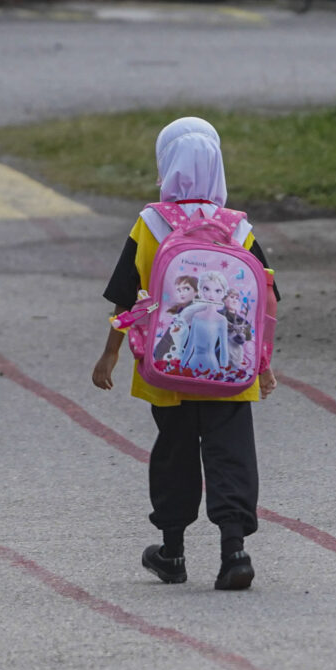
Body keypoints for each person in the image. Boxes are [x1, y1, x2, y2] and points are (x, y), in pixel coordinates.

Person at [92, 117, 277, 591]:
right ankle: (234, 550)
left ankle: (172, 552)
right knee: (230, 452)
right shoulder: (239, 229)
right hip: (231, 369)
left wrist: (109, 354)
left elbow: (125, 296)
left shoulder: (150, 222)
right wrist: (263, 364)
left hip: (166, 367)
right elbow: (263, 301)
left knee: (174, 452)